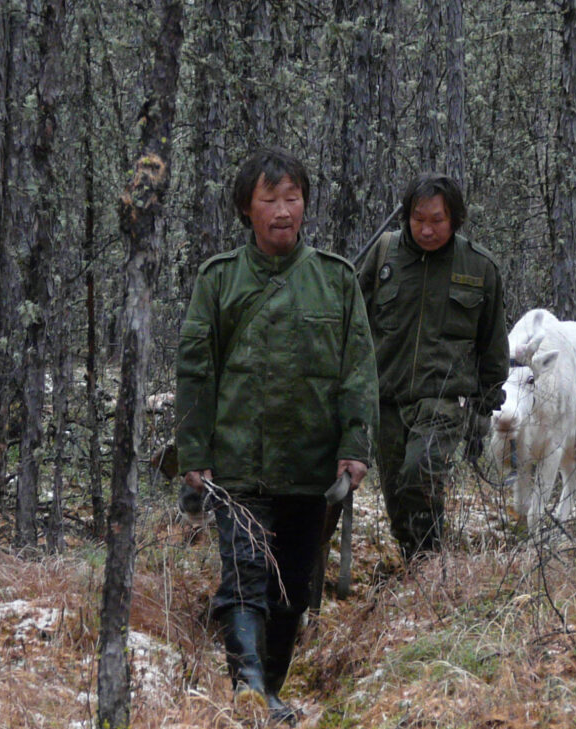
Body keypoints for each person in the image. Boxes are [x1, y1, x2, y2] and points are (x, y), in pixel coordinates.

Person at [175, 148, 377, 724]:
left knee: (291, 592)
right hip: (238, 468)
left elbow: (358, 371)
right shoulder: (219, 279)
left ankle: (270, 693)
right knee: (243, 579)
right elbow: (196, 372)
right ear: (248, 208)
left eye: (292, 198)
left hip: (310, 471)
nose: (283, 211)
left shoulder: (335, 280)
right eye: (270, 200)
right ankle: (249, 690)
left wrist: (354, 447)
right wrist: (194, 453)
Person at [357, 173, 509, 561]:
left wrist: (485, 407)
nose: (426, 230)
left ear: (455, 218)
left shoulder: (479, 267)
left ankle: (429, 561)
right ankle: (415, 560)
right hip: (387, 398)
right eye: (418, 219)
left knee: (420, 471)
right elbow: (353, 322)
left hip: (444, 399)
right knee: (397, 492)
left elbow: (492, 343)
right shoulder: (383, 255)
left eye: (437, 220)